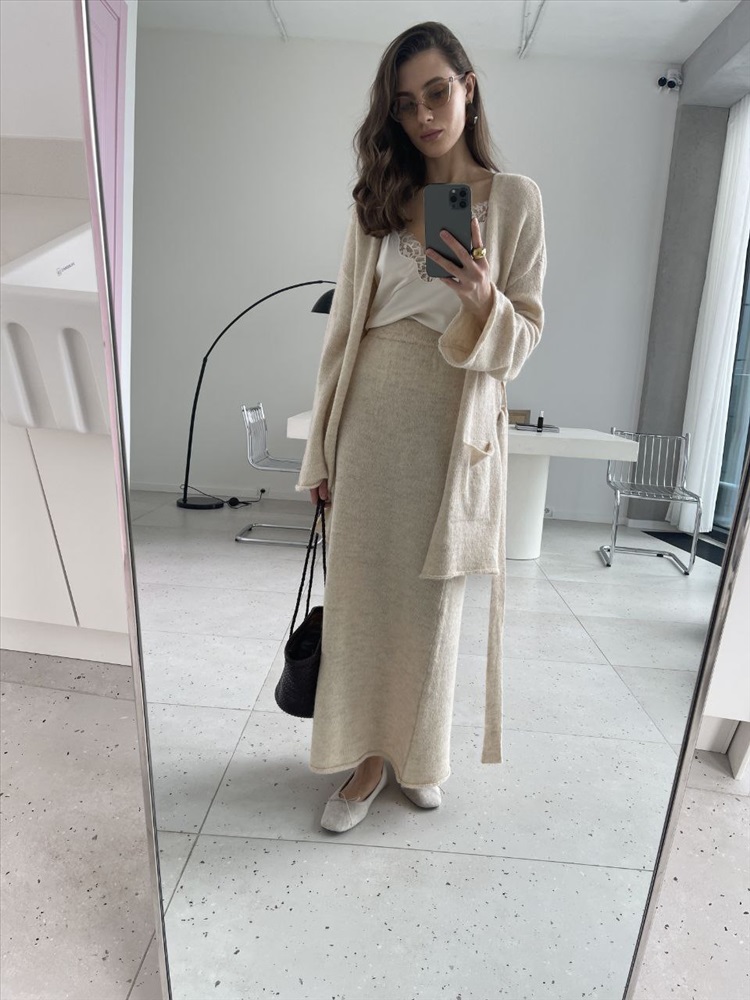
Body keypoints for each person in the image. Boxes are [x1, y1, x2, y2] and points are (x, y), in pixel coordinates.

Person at [295, 21, 547, 833]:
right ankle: (368, 758)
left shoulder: (515, 200)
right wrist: (320, 449)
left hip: (453, 421)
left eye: (437, 92)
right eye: (406, 104)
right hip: (372, 412)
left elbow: (525, 337)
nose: (425, 115)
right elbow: (342, 335)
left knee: (433, 605)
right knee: (363, 593)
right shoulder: (379, 202)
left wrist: (483, 298)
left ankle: (419, 755)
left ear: (468, 87)